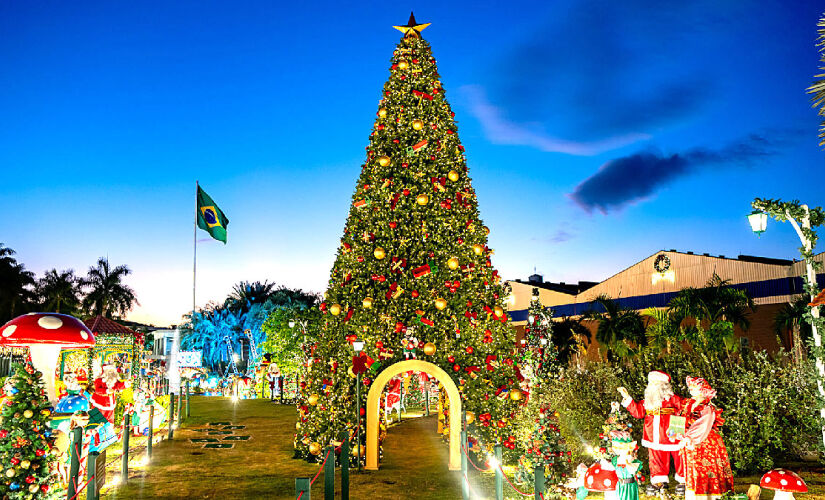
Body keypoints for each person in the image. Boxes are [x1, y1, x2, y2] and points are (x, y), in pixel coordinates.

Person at [618, 371, 687, 494]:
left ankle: (684, 481)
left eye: (656, 383)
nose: (653, 386)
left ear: (664, 385)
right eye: (652, 383)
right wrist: (627, 397)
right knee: (656, 457)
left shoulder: (673, 399)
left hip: (672, 432)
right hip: (653, 434)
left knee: (680, 456)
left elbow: (684, 408)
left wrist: (678, 425)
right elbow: (638, 412)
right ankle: (658, 481)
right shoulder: (648, 401)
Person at [675, 377, 734, 500]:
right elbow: (679, 419)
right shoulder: (687, 404)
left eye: (694, 388)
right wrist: (676, 433)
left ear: (703, 389)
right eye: (690, 388)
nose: (691, 390)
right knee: (693, 468)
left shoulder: (707, 407)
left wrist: (688, 438)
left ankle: (709, 496)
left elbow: (703, 424)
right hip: (690, 442)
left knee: (705, 468)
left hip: (705, 442)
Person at [611, 431, 642, 500]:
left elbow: (632, 471)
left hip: (629, 486)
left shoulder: (631, 459)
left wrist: (628, 463)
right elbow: (612, 467)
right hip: (620, 485)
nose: (618, 449)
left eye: (620, 447)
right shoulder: (616, 460)